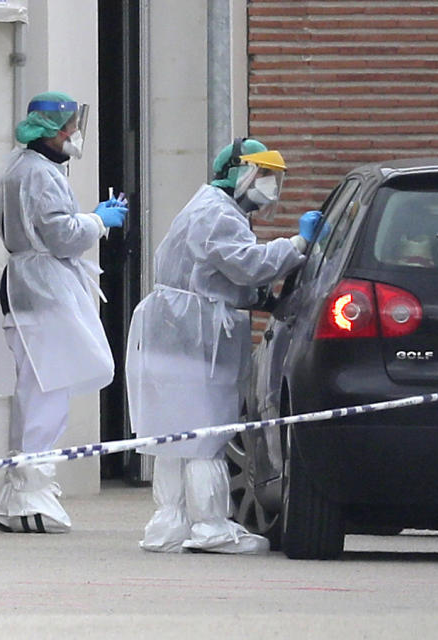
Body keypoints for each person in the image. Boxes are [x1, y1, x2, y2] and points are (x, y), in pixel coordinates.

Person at [126, 137, 322, 554]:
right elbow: (249, 265)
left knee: (176, 436)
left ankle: (170, 524)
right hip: (193, 337)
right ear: (242, 171)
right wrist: (298, 245)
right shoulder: (219, 216)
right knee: (206, 433)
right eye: (265, 176)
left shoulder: (209, 208)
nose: (270, 187)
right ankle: (210, 526)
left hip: (174, 333)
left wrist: (262, 299)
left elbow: (222, 278)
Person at [0, 91, 128, 533]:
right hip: (41, 293)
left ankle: (24, 494)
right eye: (71, 129)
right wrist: (97, 221)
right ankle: (28, 500)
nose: (74, 136)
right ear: (53, 131)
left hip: (28, 292)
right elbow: (61, 236)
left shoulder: (22, 169)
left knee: (35, 396)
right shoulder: (39, 174)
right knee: (45, 396)